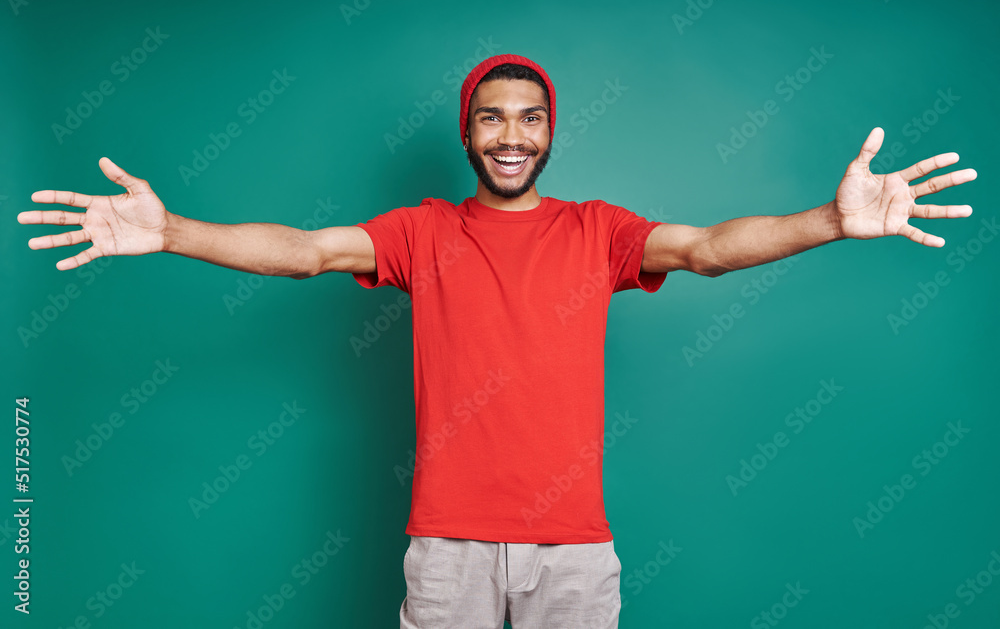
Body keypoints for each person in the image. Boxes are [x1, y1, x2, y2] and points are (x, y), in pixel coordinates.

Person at [17, 54, 976, 628]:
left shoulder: (599, 229)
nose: (511, 135)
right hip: (449, 549)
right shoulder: (421, 230)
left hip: (573, 549)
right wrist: (172, 229)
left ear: (550, 132)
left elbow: (712, 249)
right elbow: (305, 251)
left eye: (530, 118)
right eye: (492, 118)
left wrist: (832, 220)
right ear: (468, 134)